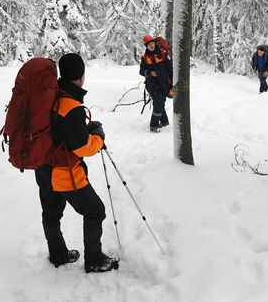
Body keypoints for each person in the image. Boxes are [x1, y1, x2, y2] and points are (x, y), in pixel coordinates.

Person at [34, 53, 119, 273]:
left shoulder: (52, 96)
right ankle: (94, 259)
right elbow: (82, 147)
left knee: (51, 213)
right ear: (81, 76)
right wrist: (98, 137)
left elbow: (61, 131)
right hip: (64, 173)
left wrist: (84, 130)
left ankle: (58, 254)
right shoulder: (71, 106)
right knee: (95, 211)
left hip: (44, 167)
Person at [139, 35, 173, 132]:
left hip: (163, 84)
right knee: (159, 103)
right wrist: (149, 73)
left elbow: (170, 70)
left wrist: (173, 85)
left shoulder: (163, 54)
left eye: (152, 43)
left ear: (154, 42)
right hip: (151, 86)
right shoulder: (145, 57)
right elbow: (141, 71)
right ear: (146, 46)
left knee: (159, 102)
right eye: (149, 44)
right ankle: (164, 121)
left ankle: (153, 125)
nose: (151, 45)